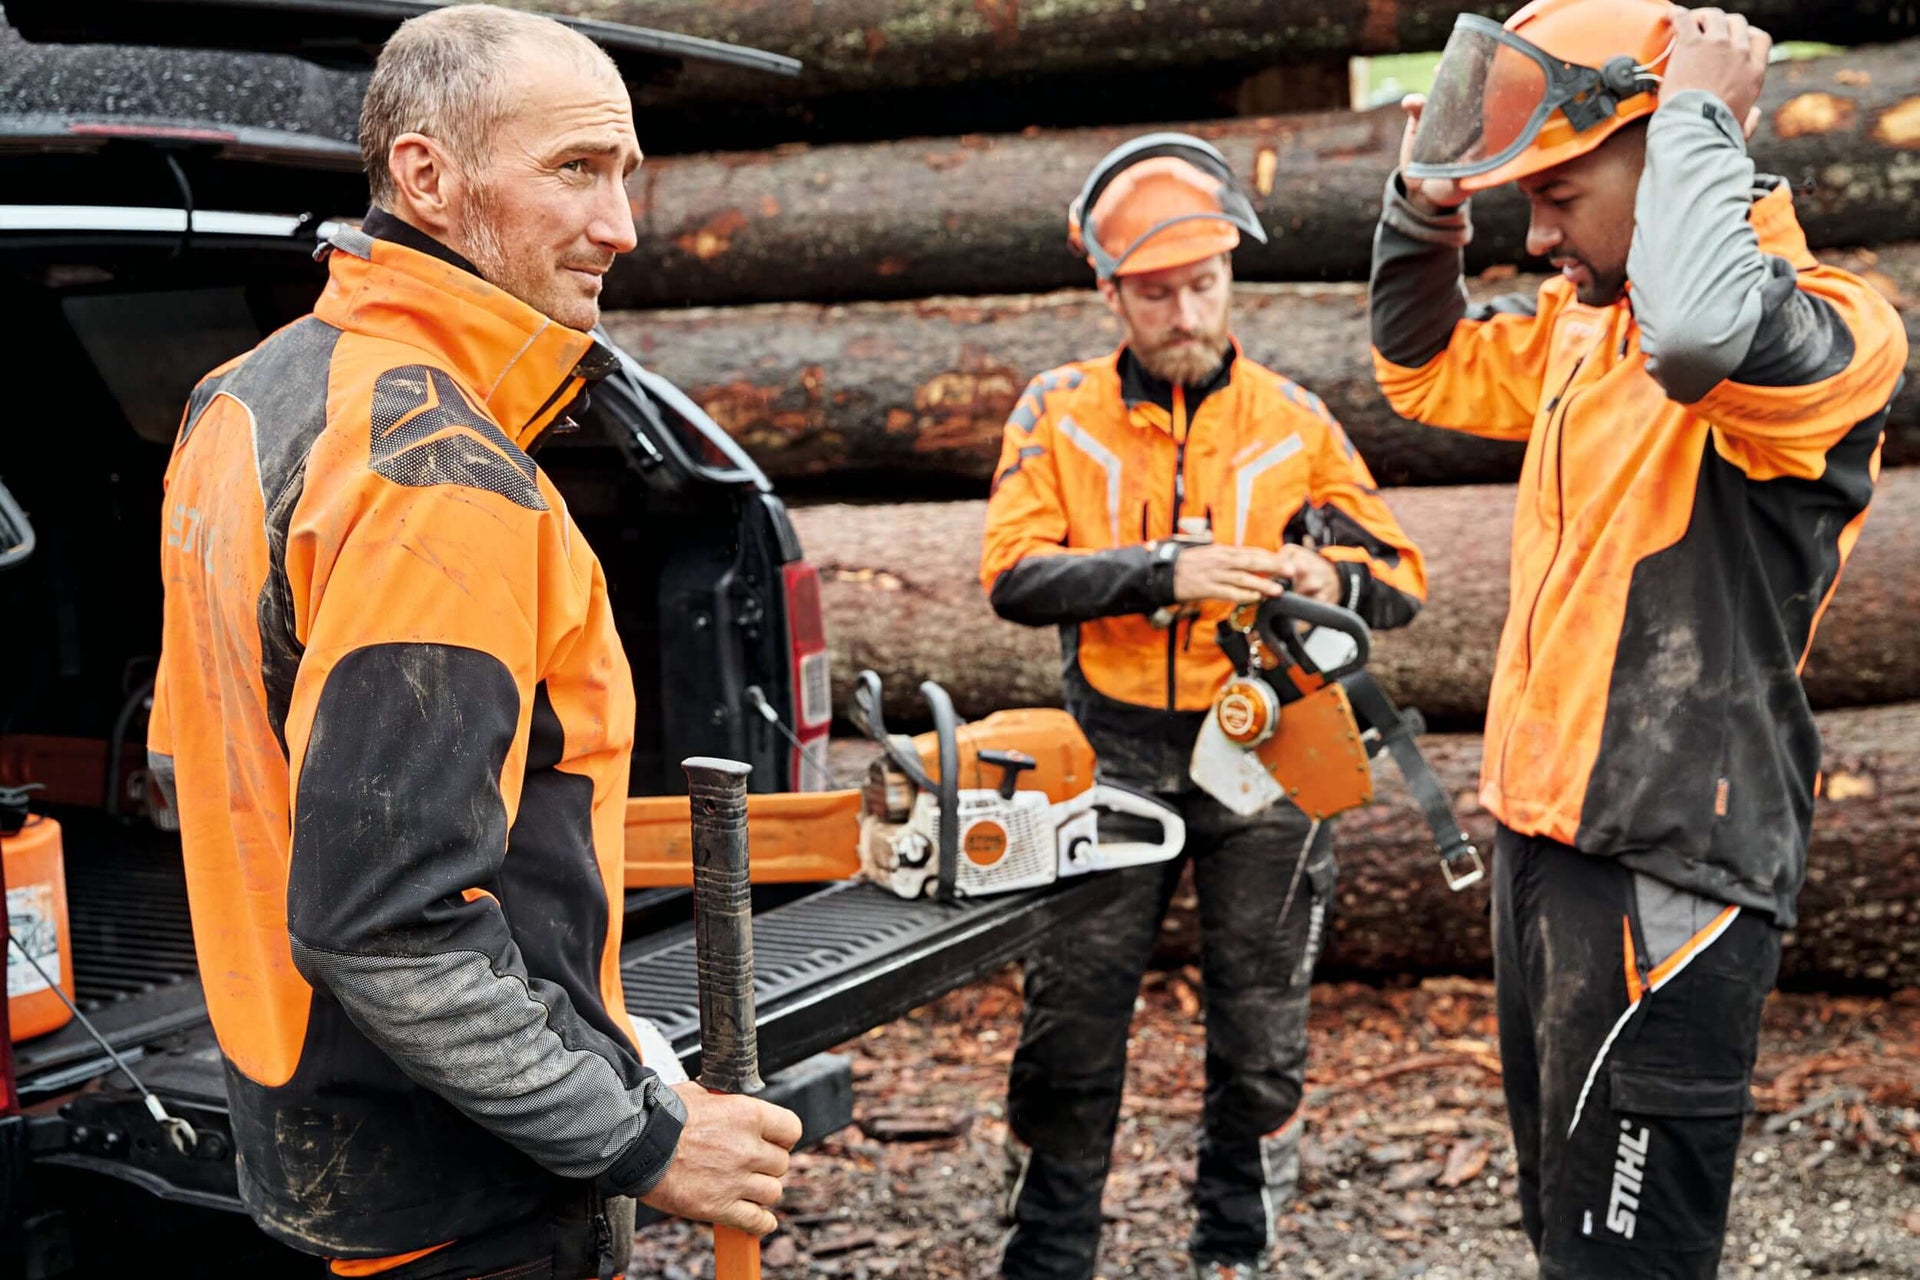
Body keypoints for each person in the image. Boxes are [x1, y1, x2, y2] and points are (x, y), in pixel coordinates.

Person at [146, 7, 801, 1277]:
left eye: (626, 175)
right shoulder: (436, 473)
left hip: (317, 1141)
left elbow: (190, 764)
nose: (620, 225)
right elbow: (385, 921)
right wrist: (643, 1137)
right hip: (459, 1190)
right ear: (427, 177)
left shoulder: (246, 395)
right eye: (575, 169)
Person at [1369, 2, 1908, 1275]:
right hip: (1550, 841)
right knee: (1566, 1237)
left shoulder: (1826, 330)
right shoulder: (1586, 326)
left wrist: (1704, 119)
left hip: (1675, 863)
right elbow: (1422, 366)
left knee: (1632, 1261)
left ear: (1663, 153)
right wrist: (1428, 207)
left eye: (1557, 195)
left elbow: (1702, 334)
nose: (1540, 236)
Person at [979, 132, 1428, 1280]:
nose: (1185, 310)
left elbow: (1403, 574)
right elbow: (1015, 576)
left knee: (1262, 1025)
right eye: (1159, 290)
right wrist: (1157, 572)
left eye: (1204, 283)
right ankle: (1049, 1254)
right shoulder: (1058, 412)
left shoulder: (1292, 416)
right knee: (1074, 1019)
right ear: (1111, 290)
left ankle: (1235, 1251)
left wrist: (1333, 581)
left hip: (1264, 749)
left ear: (1231, 276)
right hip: (1112, 751)